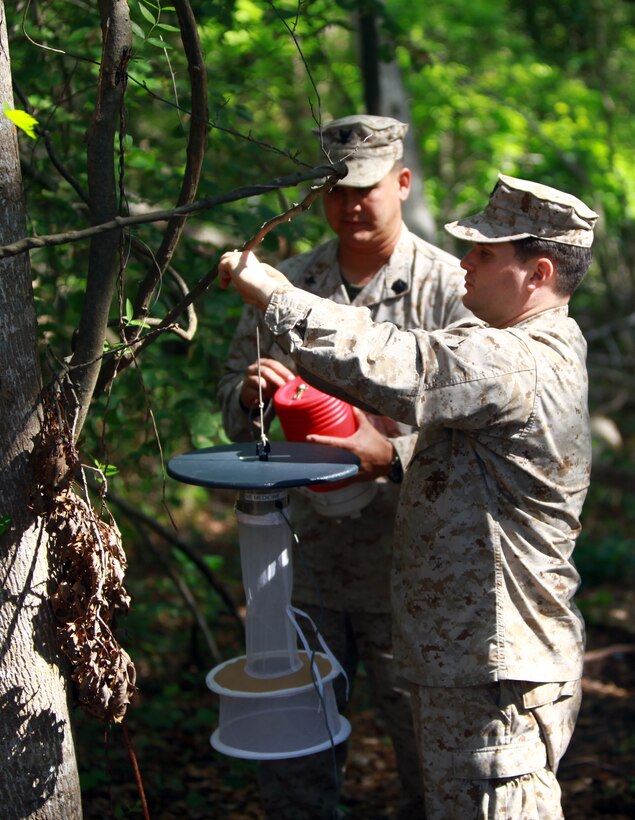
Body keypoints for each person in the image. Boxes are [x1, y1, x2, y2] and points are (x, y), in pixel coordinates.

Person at [217, 172, 599, 819]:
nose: (464, 263)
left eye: (483, 254)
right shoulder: (520, 351)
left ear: (536, 273)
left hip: (494, 676)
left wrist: (276, 295)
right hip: (473, 666)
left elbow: (400, 364)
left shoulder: (516, 359)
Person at [217, 114, 470, 819]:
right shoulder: (285, 285)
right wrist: (250, 396)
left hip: (416, 567)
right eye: (335, 191)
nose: (351, 204)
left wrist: (389, 453)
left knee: (432, 756)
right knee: (293, 756)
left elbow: (479, 427)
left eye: (366, 189)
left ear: (402, 182)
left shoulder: (451, 288)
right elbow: (231, 403)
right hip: (305, 565)